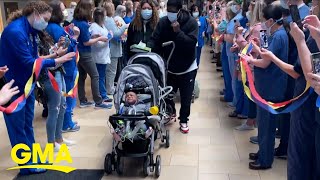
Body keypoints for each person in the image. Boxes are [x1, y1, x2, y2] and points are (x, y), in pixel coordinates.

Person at [0, 1, 75, 175]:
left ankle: (33, 157)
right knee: (18, 128)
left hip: (26, 84)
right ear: (35, 13)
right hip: (12, 87)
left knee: (28, 125)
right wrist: (56, 61)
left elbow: (35, 57)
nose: (46, 23)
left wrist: (55, 54)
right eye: (46, 19)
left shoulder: (31, 30)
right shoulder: (15, 32)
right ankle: (26, 165)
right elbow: (29, 62)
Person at [240, 2, 289, 170]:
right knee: (263, 125)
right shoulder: (276, 34)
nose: (263, 24)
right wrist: (256, 47)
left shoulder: (279, 36)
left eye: (264, 21)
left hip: (271, 88)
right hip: (267, 86)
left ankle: (265, 160)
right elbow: (267, 53)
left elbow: (266, 62)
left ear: (271, 21)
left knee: (267, 126)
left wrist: (250, 60)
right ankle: (263, 152)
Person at [148, 0, 198, 133]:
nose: (170, 13)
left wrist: (178, 32)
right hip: (169, 65)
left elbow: (191, 43)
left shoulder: (191, 22)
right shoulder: (163, 22)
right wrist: (149, 47)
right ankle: (170, 112)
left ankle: (184, 120)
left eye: (173, 11)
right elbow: (155, 39)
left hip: (188, 66)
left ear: (180, 10)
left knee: (186, 96)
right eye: (168, 10)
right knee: (167, 94)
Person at [72, 0, 112, 109]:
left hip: (77, 52)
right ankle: (98, 102)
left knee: (81, 77)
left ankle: (83, 100)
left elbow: (82, 38)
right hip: (85, 53)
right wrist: (99, 38)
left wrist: (93, 37)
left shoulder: (75, 21)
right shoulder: (84, 24)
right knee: (95, 75)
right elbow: (86, 42)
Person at [234, 0, 264, 131]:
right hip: (248, 63)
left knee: (252, 94)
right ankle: (251, 120)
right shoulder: (255, 26)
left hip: (251, 65)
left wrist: (239, 35)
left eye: (251, 8)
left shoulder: (257, 28)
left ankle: (251, 121)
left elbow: (250, 47)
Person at [104, 2, 128, 95]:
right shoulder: (110, 20)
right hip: (113, 48)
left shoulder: (108, 19)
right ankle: (109, 89)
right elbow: (116, 33)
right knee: (111, 71)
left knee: (109, 71)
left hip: (111, 48)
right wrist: (125, 26)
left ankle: (108, 87)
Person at [90, 7, 113, 103]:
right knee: (100, 77)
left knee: (101, 76)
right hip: (98, 56)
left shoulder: (102, 26)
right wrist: (108, 37)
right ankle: (102, 95)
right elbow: (97, 44)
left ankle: (102, 94)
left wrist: (108, 37)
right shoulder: (94, 27)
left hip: (103, 55)